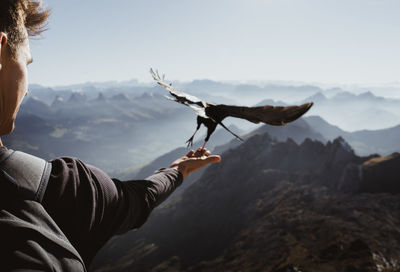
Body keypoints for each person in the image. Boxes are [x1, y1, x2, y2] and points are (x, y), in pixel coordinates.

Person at [0, 0, 221, 270]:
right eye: (26, 63)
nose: (26, 90)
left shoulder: (69, 190)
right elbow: (140, 198)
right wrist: (179, 170)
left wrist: (178, 169)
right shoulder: (68, 191)